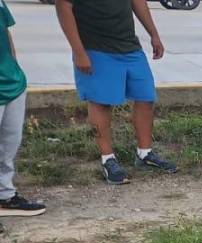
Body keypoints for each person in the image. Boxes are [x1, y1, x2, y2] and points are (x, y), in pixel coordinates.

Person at [55, 0, 178, 185]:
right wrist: (79, 52)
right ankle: (108, 159)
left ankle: (145, 154)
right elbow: (63, 7)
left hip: (129, 47)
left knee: (145, 97)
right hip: (95, 49)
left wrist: (154, 34)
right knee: (100, 102)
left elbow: (138, 2)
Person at [0, 0, 45, 218]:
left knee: (9, 145)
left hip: (11, 82)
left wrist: (15, 67)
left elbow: (6, 32)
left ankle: (5, 196)